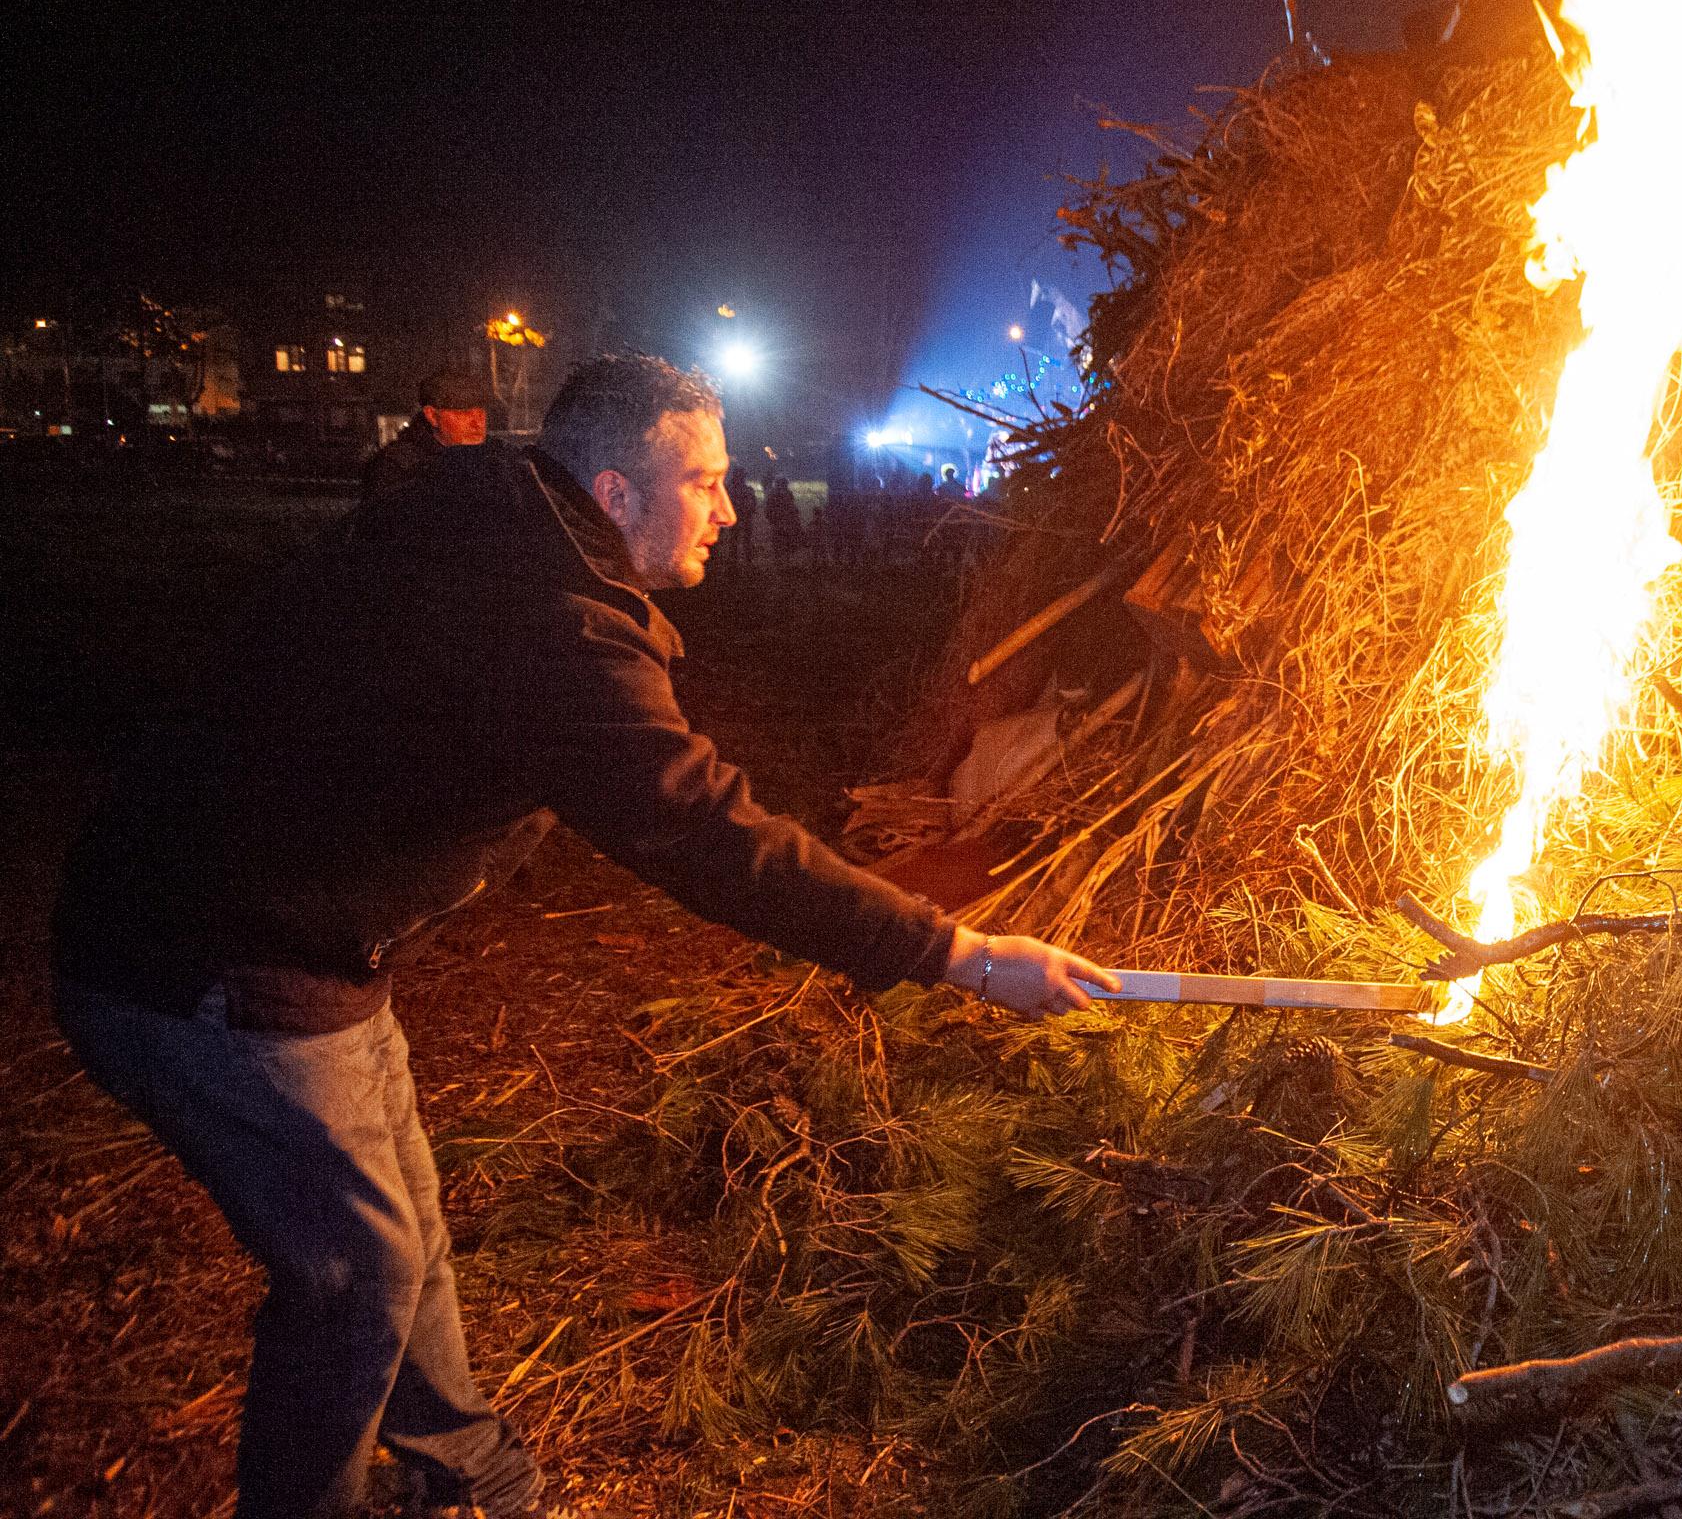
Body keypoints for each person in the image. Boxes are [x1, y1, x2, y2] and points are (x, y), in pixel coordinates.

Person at [49, 354, 1116, 1519]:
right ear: (614, 493)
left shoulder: (501, 515)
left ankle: (474, 1477)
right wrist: (954, 951)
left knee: (404, 1234)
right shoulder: (550, 620)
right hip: (213, 950)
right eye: (705, 483)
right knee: (358, 1272)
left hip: (293, 928)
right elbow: (701, 826)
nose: (734, 506)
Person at [364, 368, 493, 499]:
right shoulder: (398, 467)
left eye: (481, 414)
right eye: (464, 414)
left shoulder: (497, 459)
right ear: (432, 415)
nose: (478, 424)